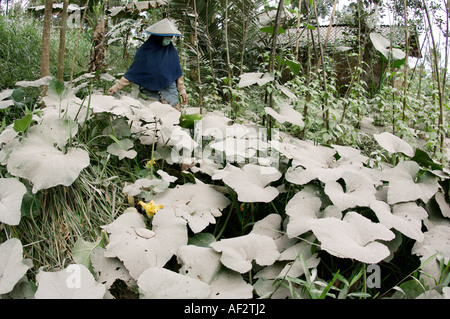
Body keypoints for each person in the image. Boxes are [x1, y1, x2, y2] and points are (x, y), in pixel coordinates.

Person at [108, 18, 188, 111]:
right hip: (149, 92)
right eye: (166, 37)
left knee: (172, 117)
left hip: (169, 91)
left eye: (170, 37)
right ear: (158, 37)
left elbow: (177, 73)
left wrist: (182, 90)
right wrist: (116, 87)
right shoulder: (144, 52)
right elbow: (133, 72)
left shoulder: (172, 52)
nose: (169, 39)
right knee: (150, 119)